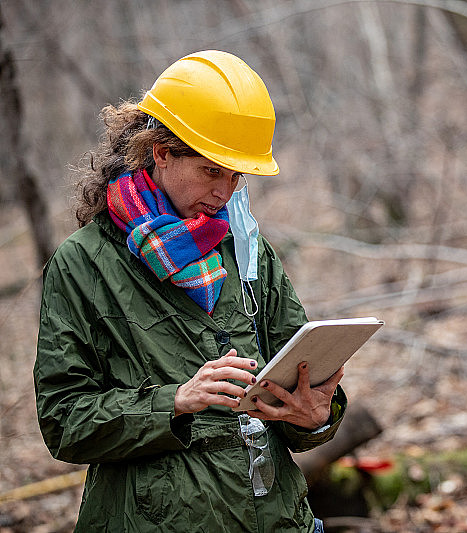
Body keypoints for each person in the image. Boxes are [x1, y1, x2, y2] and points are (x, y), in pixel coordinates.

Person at [34, 50, 345, 532]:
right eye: (211, 170)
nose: (226, 192)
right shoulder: (84, 263)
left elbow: (293, 389)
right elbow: (63, 421)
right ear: (161, 152)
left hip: (279, 519)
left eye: (236, 175)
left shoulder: (247, 249)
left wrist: (316, 415)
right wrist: (176, 401)